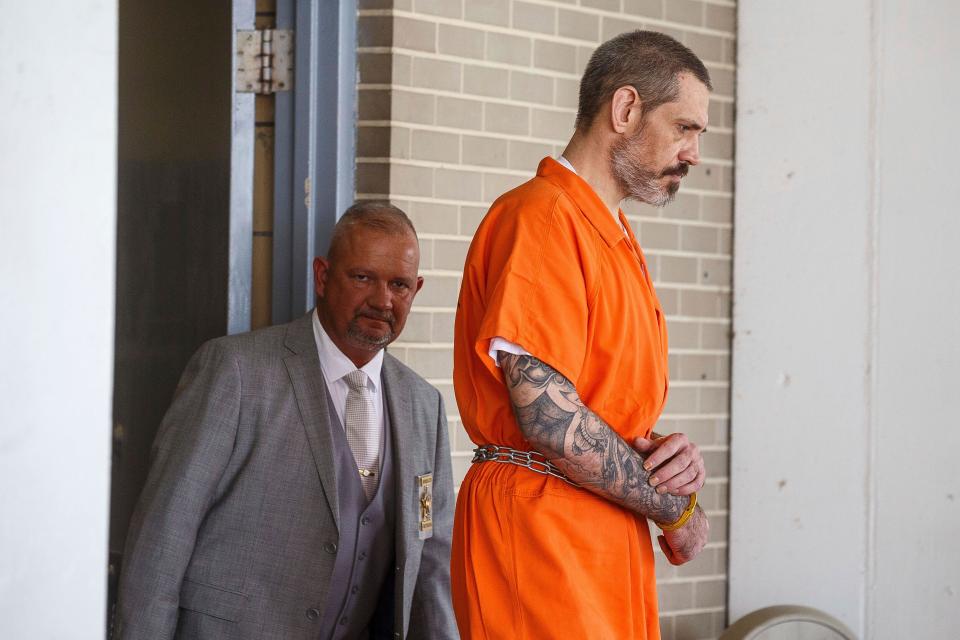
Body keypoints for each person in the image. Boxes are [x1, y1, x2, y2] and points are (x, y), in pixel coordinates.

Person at [451, 31, 712, 639]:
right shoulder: (543, 217)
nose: (695, 153)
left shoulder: (614, 238)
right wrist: (677, 508)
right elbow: (552, 420)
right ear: (624, 110)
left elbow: (608, 410)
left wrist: (671, 460)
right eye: (685, 128)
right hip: (539, 539)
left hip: (599, 541)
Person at [118, 203, 458, 639]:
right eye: (362, 278)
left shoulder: (423, 405)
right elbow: (163, 533)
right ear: (322, 276)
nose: (382, 300)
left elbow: (431, 566)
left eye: (399, 285)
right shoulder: (235, 371)